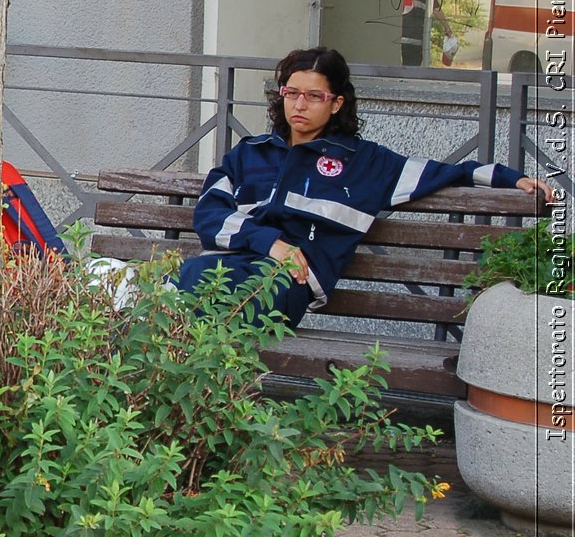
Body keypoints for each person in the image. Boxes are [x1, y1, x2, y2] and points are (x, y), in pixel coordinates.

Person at [175, 46, 552, 328]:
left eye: (314, 96)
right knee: (179, 292)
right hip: (223, 269)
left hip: (284, 286)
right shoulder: (249, 153)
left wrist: (510, 178)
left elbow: (447, 171)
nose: (299, 105)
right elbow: (209, 215)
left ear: (336, 103)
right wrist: (270, 243)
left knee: (190, 305)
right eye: (291, 93)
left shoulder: (365, 164)